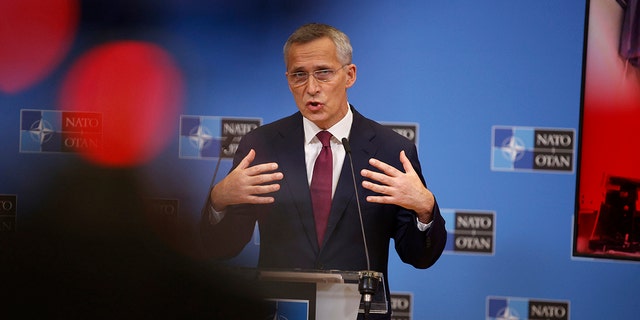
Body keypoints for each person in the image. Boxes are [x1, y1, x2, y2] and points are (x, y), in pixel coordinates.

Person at [200, 23, 446, 319]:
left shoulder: (391, 150)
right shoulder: (261, 146)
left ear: (349, 75)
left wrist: (425, 211)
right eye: (299, 75)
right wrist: (218, 201)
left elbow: (419, 256)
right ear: (288, 79)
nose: (311, 88)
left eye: (323, 72)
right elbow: (221, 249)